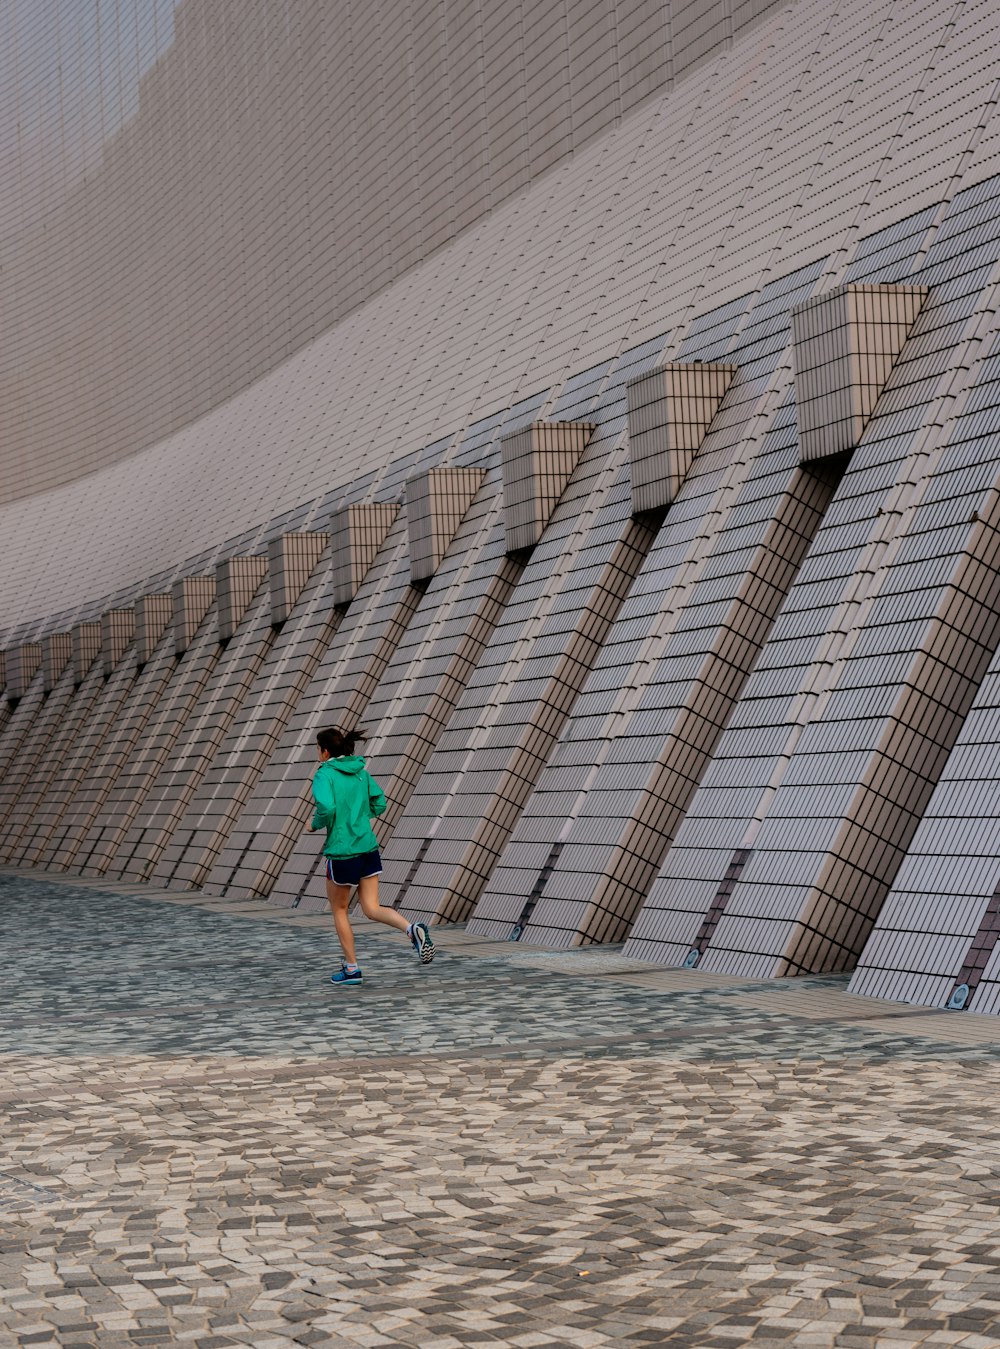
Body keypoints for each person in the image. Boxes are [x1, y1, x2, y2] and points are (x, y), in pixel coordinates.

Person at [309, 725, 434, 985]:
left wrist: (316, 823)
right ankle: (412, 930)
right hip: (367, 847)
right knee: (371, 908)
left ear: (325, 751)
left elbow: (327, 807)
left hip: (343, 851)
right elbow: (380, 802)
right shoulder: (361, 773)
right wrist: (359, 820)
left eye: (318, 749)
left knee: (340, 910)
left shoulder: (324, 774)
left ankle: (352, 969)